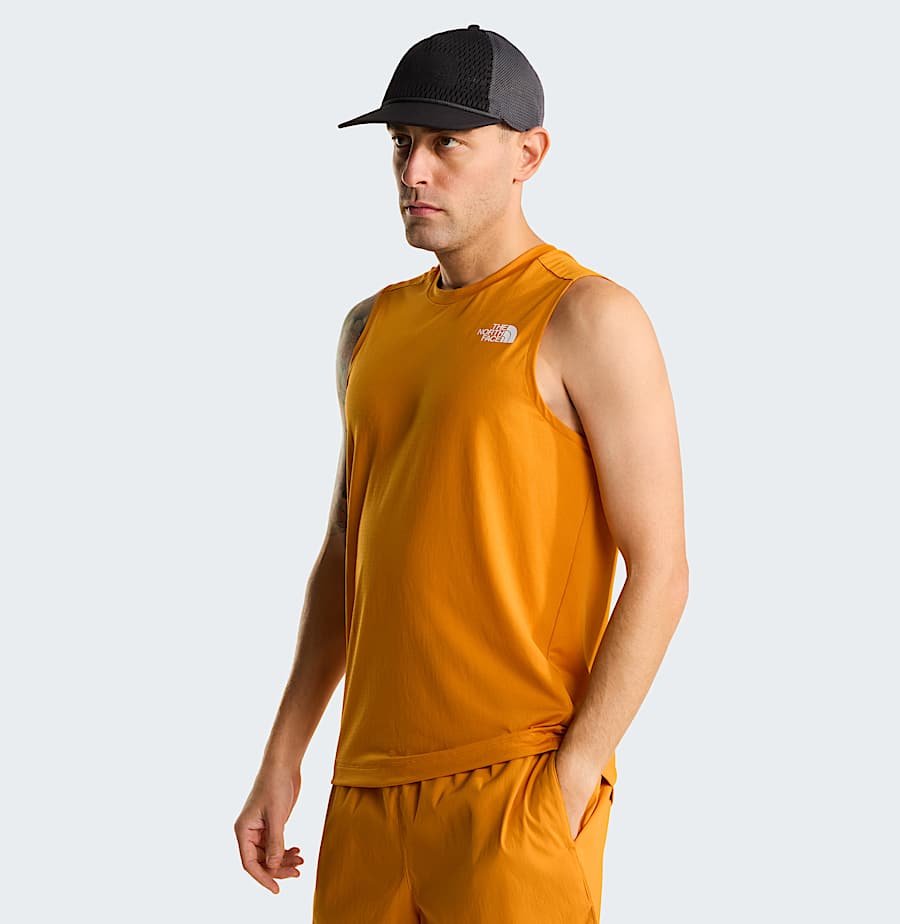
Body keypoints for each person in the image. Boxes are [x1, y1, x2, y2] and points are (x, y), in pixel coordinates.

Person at [234, 24, 688, 923]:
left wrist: (569, 779)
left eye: (447, 142)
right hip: (365, 790)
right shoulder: (370, 328)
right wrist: (284, 753)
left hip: (512, 784)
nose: (414, 171)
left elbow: (663, 571)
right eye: (402, 142)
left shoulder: (586, 317)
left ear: (529, 155)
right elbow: (346, 550)